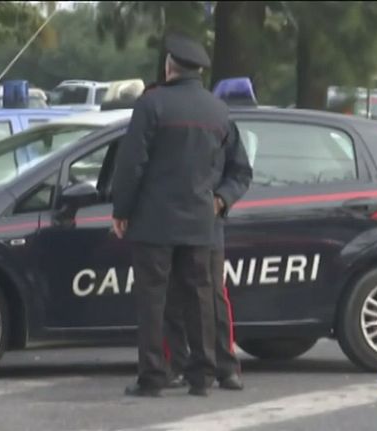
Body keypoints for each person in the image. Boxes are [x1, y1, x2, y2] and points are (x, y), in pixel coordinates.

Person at [111, 33, 236, 398]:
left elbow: (131, 164)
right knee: (200, 299)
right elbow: (225, 165)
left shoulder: (151, 105)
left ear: (169, 66)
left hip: (155, 222)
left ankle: (152, 376)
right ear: (199, 71)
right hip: (200, 222)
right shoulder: (218, 111)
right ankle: (202, 376)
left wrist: (121, 210)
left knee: (153, 301)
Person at [163, 120, 252, 391]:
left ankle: (225, 367)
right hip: (167, 218)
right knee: (170, 293)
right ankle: (177, 364)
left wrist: (221, 199)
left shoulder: (220, 121)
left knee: (212, 295)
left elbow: (240, 172)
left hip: (207, 222)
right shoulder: (164, 114)